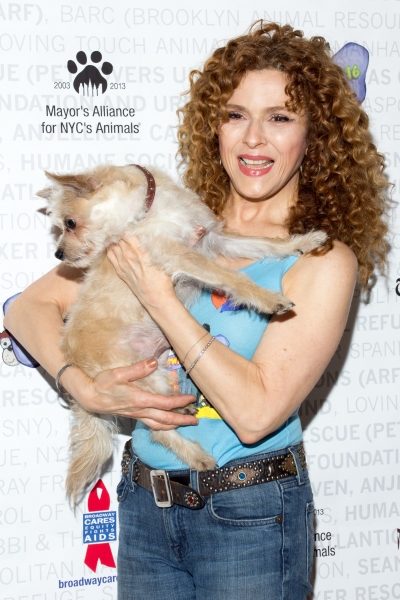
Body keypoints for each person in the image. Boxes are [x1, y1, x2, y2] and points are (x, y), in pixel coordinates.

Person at [4, 21, 388, 600]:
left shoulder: (322, 260)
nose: (253, 139)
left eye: (279, 118)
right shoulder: (173, 222)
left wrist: (160, 292)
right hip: (143, 506)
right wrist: (81, 386)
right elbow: (27, 308)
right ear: (215, 125)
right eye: (236, 115)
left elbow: (256, 412)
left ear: (315, 134)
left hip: (251, 517)